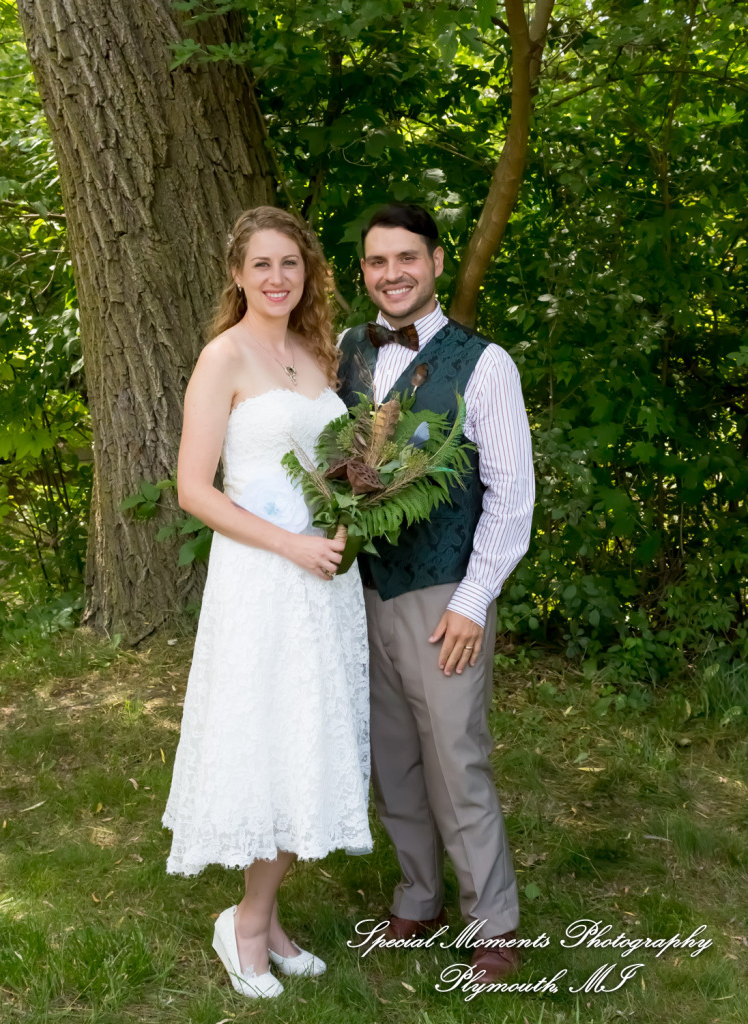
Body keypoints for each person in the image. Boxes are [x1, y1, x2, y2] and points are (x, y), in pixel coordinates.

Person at [162, 206, 372, 999]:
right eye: (262, 265)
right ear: (237, 274)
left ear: (308, 272)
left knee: (303, 742)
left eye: (290, 263)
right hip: (261, 575)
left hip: (322, 579)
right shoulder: (223, 357)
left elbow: (330, 466)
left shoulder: (315, 355)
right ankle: (245, 925)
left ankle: (268, 918)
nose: (278, 278)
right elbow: (193, 490)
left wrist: (354, 511)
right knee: (269, 740)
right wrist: (288, 545)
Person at [337, 203, 534, 982]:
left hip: (443, 591)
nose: (392, 274)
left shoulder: (485, 364)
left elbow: (511, 495)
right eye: (377, 261)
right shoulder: (347, 351)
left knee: (455, 758)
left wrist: (472, 601)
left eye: (406, 258)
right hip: (361, 590)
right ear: (363, 271)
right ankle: (417, 897)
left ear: (436, 261)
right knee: (391, 757)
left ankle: (493, 925)